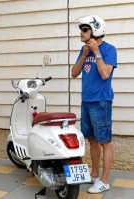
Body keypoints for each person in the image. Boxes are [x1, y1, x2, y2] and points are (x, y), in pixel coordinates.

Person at [71, 15, 117, 194]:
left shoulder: (109, 49)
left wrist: (97, 52)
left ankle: (105, 181)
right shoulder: (84, 50)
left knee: (105, 141)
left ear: (95, 30)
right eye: (81, 30)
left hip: (101, 102)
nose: (80, 33)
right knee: (91, 140)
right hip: (86, 101)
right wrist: (84, 56)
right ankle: (95, 175)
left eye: (84, 29)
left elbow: (105, 74)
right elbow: (74, 73)